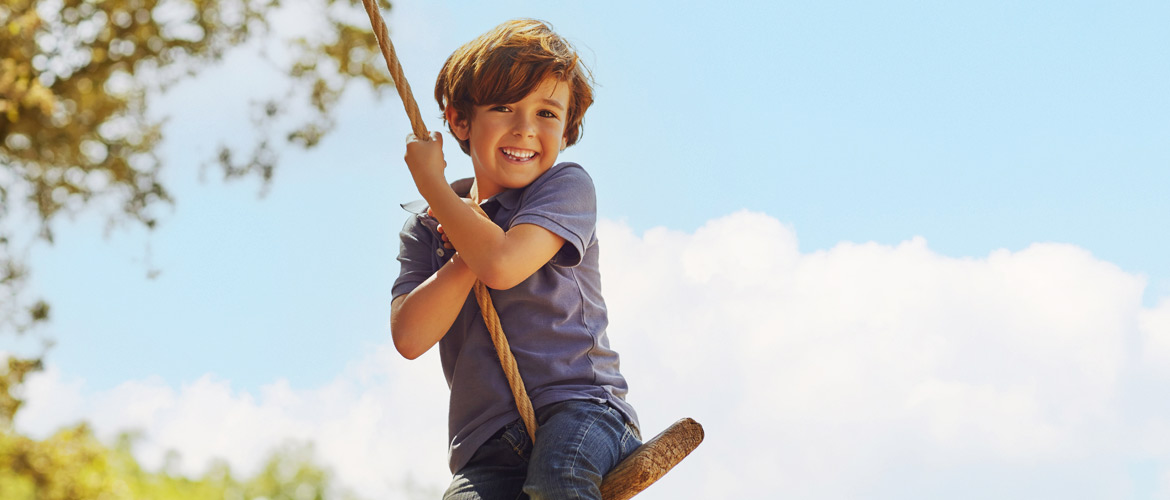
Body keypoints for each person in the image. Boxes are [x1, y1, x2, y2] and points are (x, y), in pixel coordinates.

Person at [390, 18, 641, 500]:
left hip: (580, 409)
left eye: (547, 113)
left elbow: (503, 264)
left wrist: (435, 188)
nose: (525, 129)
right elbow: (410, 335)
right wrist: (457, 237)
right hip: (486, 440)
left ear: (567, 129)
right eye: (503, 107)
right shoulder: (426, 227)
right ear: (460, 121)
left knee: (557, 484)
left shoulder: (565, 187)